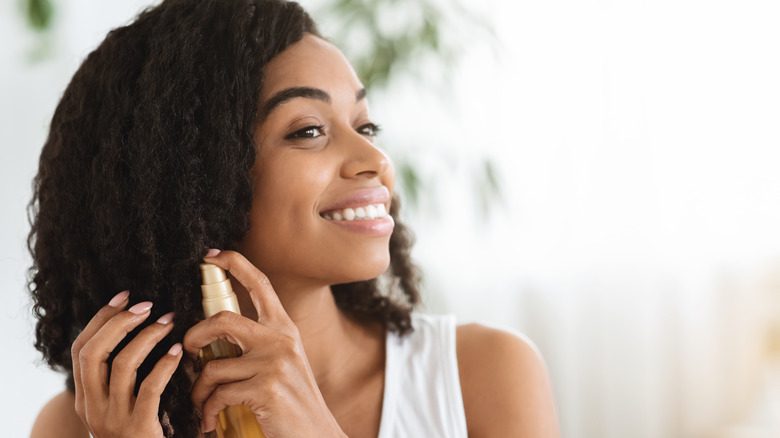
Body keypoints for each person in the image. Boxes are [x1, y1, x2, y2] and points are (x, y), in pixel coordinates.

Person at [28, 0, 559, 436]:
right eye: (308, 130)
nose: (376, 161)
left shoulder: (484, 374)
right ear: (188, 179)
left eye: (365, 126)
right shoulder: (78, 426)